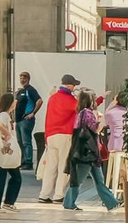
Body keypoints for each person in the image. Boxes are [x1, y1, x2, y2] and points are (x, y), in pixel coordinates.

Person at [63, 89, 119, 212]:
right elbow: (95, 131)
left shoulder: (81, 113)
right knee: (79, 180)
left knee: (98, 180)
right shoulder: (87, 114)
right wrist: (102, 122)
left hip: (89, 152)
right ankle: (68, 203)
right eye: (94, 98)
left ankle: (112, 202)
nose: (95, 101)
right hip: (88, 153)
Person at [36, 75, 80, 203]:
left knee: (50, 167)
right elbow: (82, 108)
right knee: (64, 166)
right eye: (73, 85)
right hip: (65, 135)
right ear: (68, 85)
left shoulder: (52, 98)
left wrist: (46, 137)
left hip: (51, 136)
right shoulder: (70, 99)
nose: (74, 87)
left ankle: (44, 194)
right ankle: (59, 195)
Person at [0, 91, 22, 214]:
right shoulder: (3, 115)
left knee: (13, 176)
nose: (15, 103)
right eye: (14, 101)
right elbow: (0, 126)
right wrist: (7, 134)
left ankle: (7, 202)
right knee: (1, 176)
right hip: (4, 150)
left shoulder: (7, 115)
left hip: (6, 152)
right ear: (10, 103)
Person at [12, 72, 44, 170]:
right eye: (21, 77)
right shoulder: (21, 91)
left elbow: (39, 101)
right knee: (19, 141)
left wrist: (32, 113)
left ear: (28, 79)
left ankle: (28, 162)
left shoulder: (30, 90)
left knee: (26, 142)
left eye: (24, 78)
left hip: (26, 120)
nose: (22, 79)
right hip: (18, 120)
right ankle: (22, 161)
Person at [103, 94, 128, 193]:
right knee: (125, 164)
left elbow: (105, 122)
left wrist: (111, 104)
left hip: (115, 144)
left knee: (116, 166)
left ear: (116, 101)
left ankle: (116, 185)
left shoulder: (110, 113)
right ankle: (125, 185)